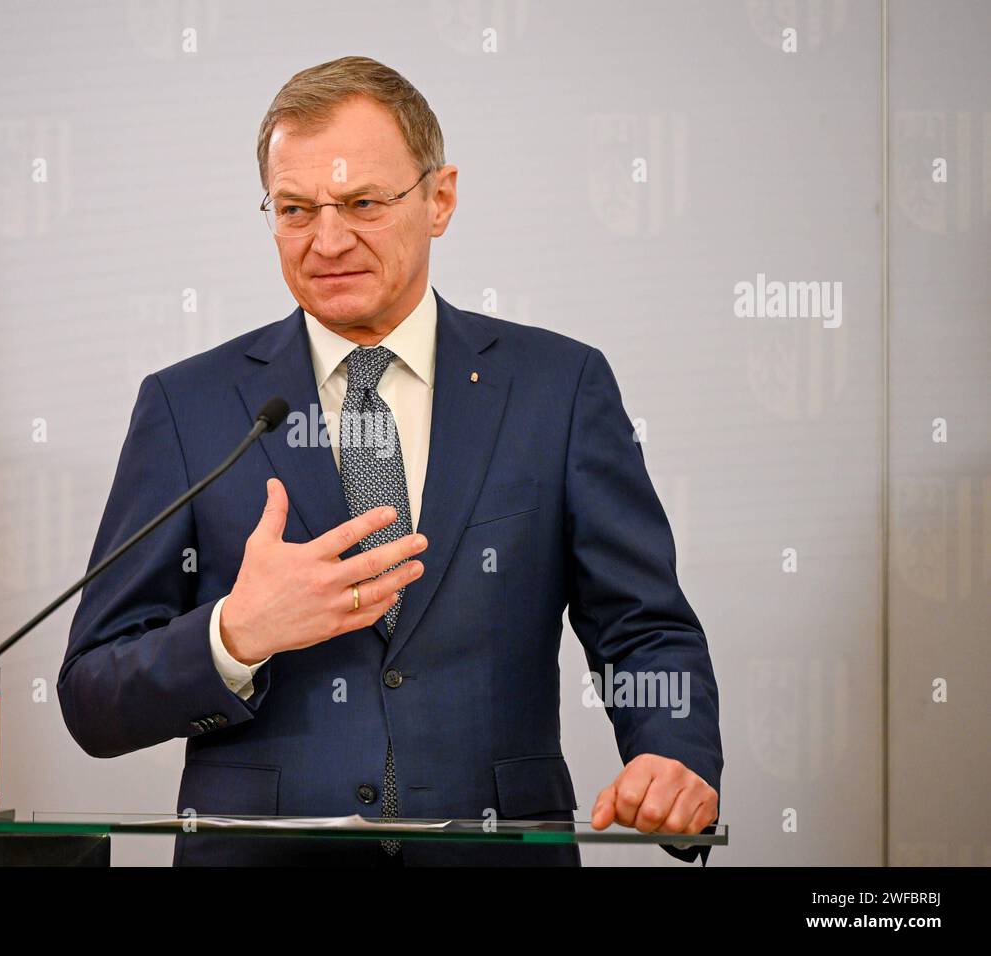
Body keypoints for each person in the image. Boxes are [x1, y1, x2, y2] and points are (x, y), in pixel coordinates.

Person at [58, 55, 721, 866]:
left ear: (439, 199)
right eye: (296, 208)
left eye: (363, 203)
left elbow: (641, 627)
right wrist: (236, 634)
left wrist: (672, 753)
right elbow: (93, 696)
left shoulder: (559, 387)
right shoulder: (189, 406)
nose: (327, 240)